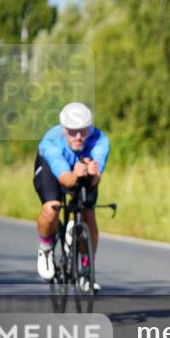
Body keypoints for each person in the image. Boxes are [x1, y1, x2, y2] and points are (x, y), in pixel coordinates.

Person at [34, 102, 110, 293]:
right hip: (54, 169)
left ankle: (86, 268)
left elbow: (95, 180)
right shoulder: (50, 143)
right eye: (72, 132)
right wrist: (75, 175)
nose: (78, 137)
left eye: (83, 131)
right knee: (52, 208)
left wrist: (93, 174)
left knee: (88, 213)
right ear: (63, 130)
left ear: (90, 128)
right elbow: (65, 180)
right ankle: (46, 249)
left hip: (81, 169)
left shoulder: (100, 140)